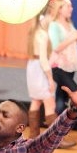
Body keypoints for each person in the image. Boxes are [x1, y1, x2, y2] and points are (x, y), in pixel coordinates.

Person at [47, 0, 77, 149]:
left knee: (61, 98)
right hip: (58, 66)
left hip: (69, 65)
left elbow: (71, 42)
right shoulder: (54, 26)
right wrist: (73, 37)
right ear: (60, 9)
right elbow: (56, 47)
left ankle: (56, 135)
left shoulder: (69, 23)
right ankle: (58, 131)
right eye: (68, 6)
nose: (71, 9)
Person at [25, 11, 57, 140]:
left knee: (36, 100)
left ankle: (33, 135)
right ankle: (56, 138)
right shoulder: (43, 34)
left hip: (32, 66)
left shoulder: (33, 32)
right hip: (40, 69)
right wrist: (50, 79)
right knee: (49, 102)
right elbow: (43, 60)